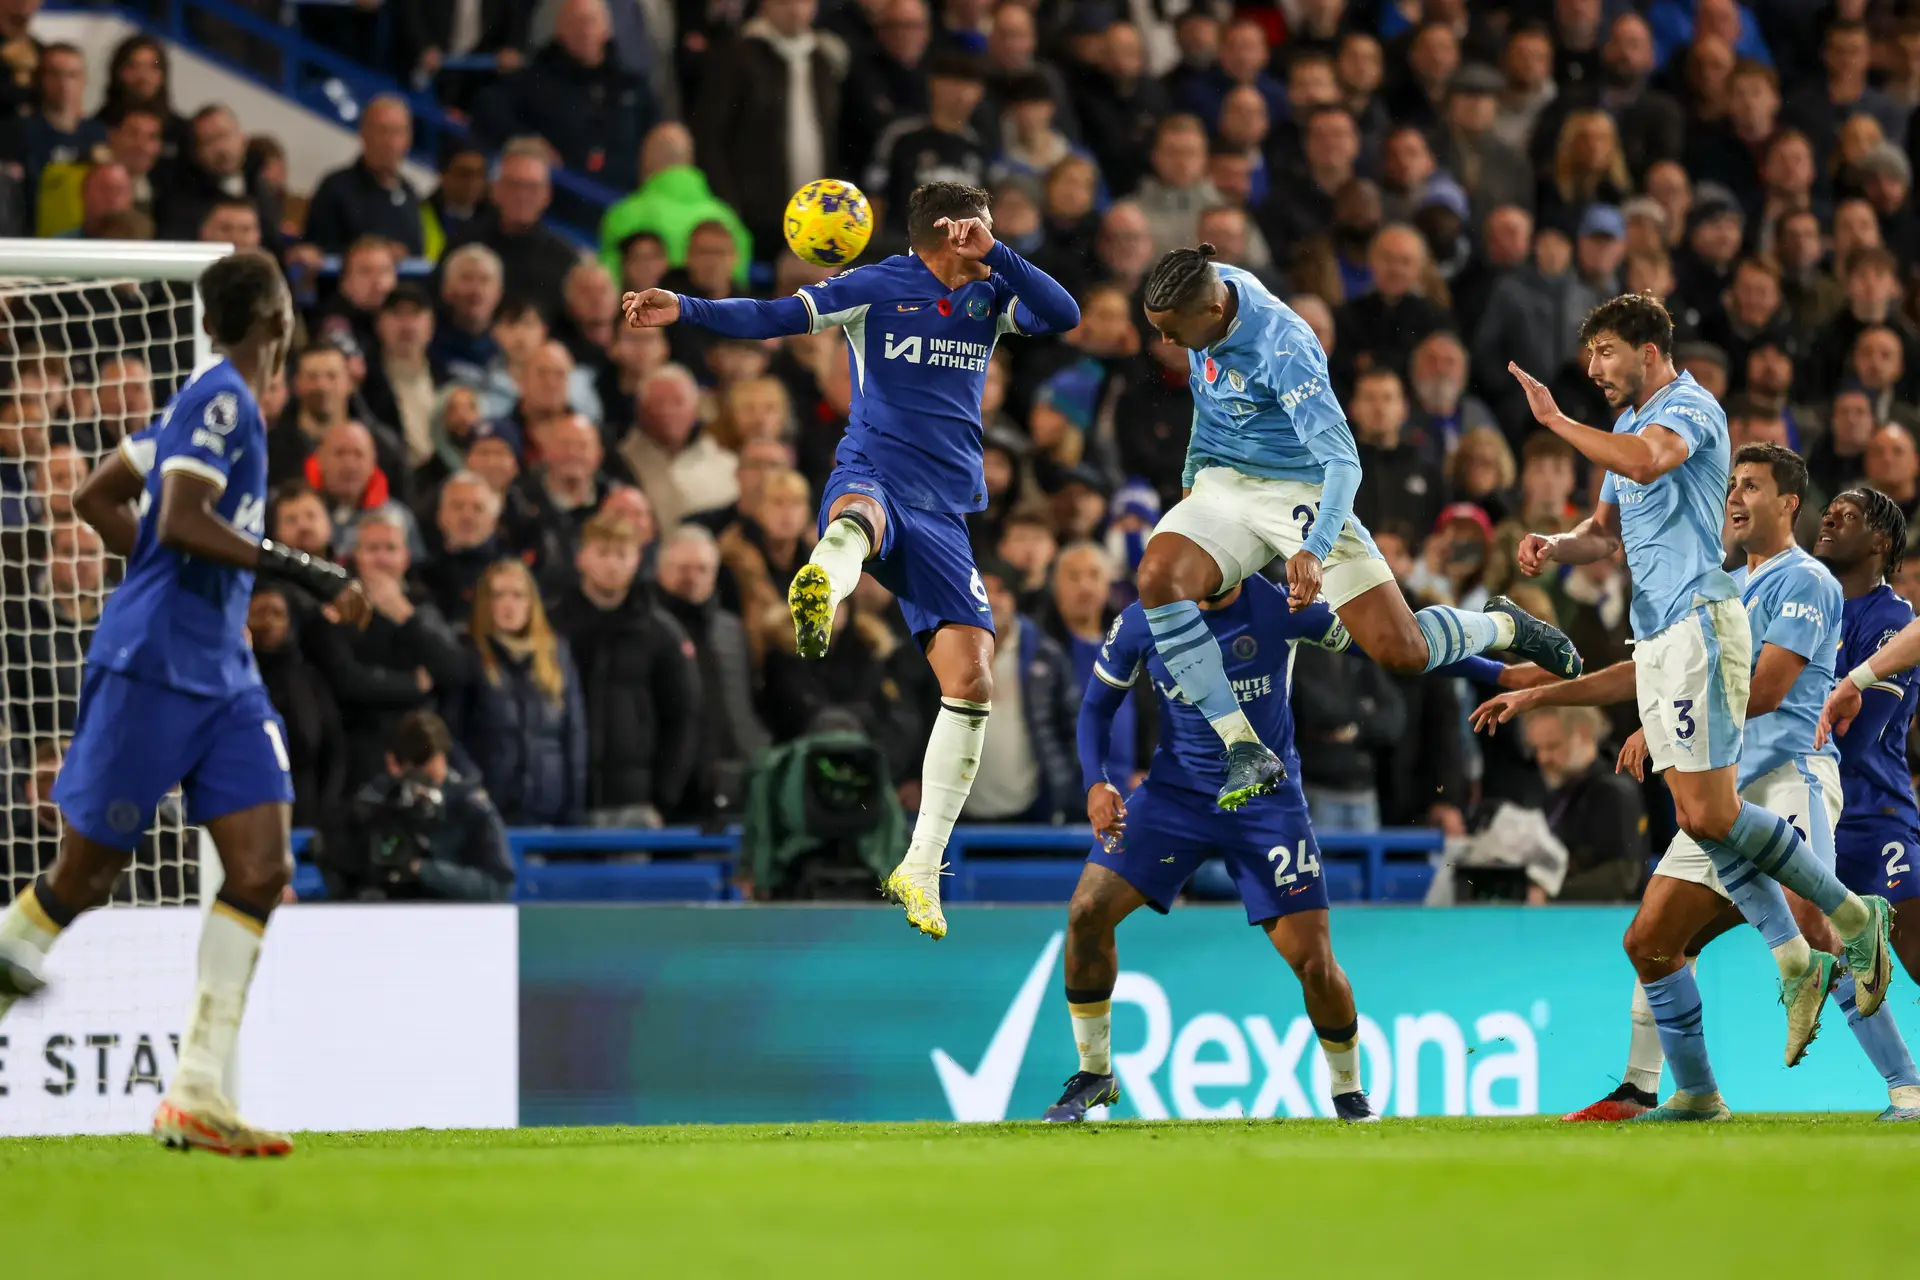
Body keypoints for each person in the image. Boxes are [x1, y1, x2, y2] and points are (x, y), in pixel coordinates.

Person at [621, 181, 1079, 939]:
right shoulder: (876, 286)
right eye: (977, 231)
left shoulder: (990, 293)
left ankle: (920, 862)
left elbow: (1063, 314)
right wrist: (689, 308)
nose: (985, 244)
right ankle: (822, 587)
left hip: (945, 508)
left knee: (972, 681)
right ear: (944, 232)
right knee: (858, 517)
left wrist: (995, 252)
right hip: (874, 466)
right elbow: (775, 316)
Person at [0, 251, 371, 1156]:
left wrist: (165, 577)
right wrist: (308, 571)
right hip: (156, 664)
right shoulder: (219, 400)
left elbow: (96, 496)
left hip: (222, 675)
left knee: (258, 867)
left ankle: (198, 1090)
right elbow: (179, 518)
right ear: (276, 319)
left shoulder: (192, 407)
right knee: (84, 878)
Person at [1509, 299, 1900, 1109]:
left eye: (1606, 353)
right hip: (1658, 640)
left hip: (1719, 667)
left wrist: (1554, 421)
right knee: (1665, 901)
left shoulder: (1686, 409)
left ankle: (1889, 1044)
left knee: (1716, 823)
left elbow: (1652, 463)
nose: (1594, 371)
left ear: (1649, 352)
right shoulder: (1633, 439)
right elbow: (1610, 528)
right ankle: (1690, 1088)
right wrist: (1559, 543)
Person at [1132, 244, 1576, 813]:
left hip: (1300, 487)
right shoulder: (1204, 289)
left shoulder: (1284, 347)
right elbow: (1207, 396)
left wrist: (1314, 549)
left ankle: (1501, 626)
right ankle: (1244, 749)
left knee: (1402, 650)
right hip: (1226, 479)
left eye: (1171, 332)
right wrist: (1193, 473)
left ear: (1213, 313)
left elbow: (1344, 463)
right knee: (1158, 578)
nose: (1165, 343)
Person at [1046, 575, 1379, 1124]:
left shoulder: (1283, 606)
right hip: (1176, 797)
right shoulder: (1141, 618)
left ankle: (1348, 1093)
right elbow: (1095, 709)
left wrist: (1492, 659)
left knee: (1315, 964)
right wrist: (1095, 782)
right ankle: (1096, 1072)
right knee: (1086, 911)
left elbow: (1390, 639)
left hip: (1266, 801)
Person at [1813, 490, 1920, 996]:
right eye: (1829, 511)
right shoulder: (1802, 606)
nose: (1829, 518)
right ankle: (1901, 1078)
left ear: (1880, 542)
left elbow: (1852, 743)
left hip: (1873, 820)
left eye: (1848, 516)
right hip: (1807, 818)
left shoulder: (1892, 621)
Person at [447, 558, 586, 826]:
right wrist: (473, 787)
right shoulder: (468, 655)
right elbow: (452, 733)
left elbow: (574, 734)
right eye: (499, 595)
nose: (509, 604)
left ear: (531, 602)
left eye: (518, 595)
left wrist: (574, 808)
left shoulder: (557, 654)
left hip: (548, 806)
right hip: (489, 807)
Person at [326, 710, 515, 903]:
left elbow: (497, 887)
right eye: (417, 772)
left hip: (453, 919)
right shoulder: (372, 805)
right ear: (394, 765)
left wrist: (422, 869)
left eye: (432, 770)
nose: (424, 784)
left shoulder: (470, 808)